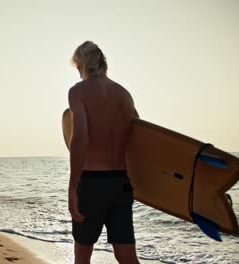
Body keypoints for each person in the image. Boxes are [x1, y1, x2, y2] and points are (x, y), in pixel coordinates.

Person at [68, 41, 140, 264]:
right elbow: (138, 140)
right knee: (127, 256)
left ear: (83, 65)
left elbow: (80, 139)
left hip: (91, 184)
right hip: (121, 184)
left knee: (82, 255)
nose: (78, 74)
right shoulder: (124, 95)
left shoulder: (78, 92)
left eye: (78, 68)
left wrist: (72, 188)